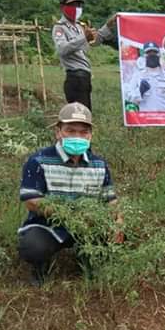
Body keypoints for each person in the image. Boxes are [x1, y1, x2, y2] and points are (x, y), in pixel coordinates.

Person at [18, 102, 120, 284]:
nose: (77, 137)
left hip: (88, 225)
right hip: (47, 225)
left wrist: (118, 223)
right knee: (33, 246)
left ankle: (87, 261)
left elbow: (110, 200)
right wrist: (70, 216)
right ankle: (41, 267)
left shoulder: (99, 165)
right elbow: (32, 201)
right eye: (71, 131)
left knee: (115, 237)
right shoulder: (38, 161)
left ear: (90, 135)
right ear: (58, 132)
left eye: (83, 132)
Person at [52, 0, 115, 110]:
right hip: (74, 77)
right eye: (71, 5)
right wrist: (84, 38)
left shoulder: (80, 27)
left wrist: (108, 25)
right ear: (62, 6)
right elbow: (62, 50)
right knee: (81, 116)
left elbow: (94, 41)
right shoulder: (60, 28)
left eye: (78, 4)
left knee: (85, 113)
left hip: (85, 78)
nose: (75, 8)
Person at [125, 42, 165, 111]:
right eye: (148, 53)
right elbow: (129, 97)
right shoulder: (138, 75)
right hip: (145, 119)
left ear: (159, 55)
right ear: (144, 56)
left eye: (154, 52)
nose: (152, 55)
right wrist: (140, 92)